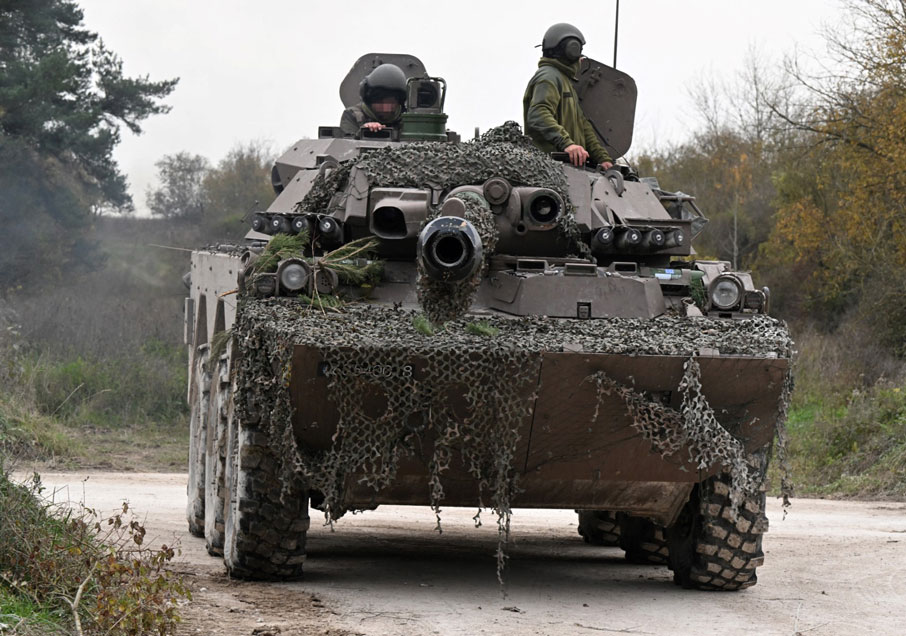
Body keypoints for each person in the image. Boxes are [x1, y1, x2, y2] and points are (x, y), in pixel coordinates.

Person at [523, 23, 613, 170]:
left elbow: (583, 126)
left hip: (567, 169)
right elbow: (538, 114)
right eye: (579, 51)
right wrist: (567, 144)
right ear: (571, 50)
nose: (581, 58)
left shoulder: (564, 81)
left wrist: (603, 158)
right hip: (548, 168)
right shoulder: (548, 77)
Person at [340, 63, 408, 136]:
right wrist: (364, 132)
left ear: (399, 102)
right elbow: (346, 143)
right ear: (369, 101)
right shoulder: (354, 116)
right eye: (380, 103)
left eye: (391, 102)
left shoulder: (409, 118)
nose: (385, 108)